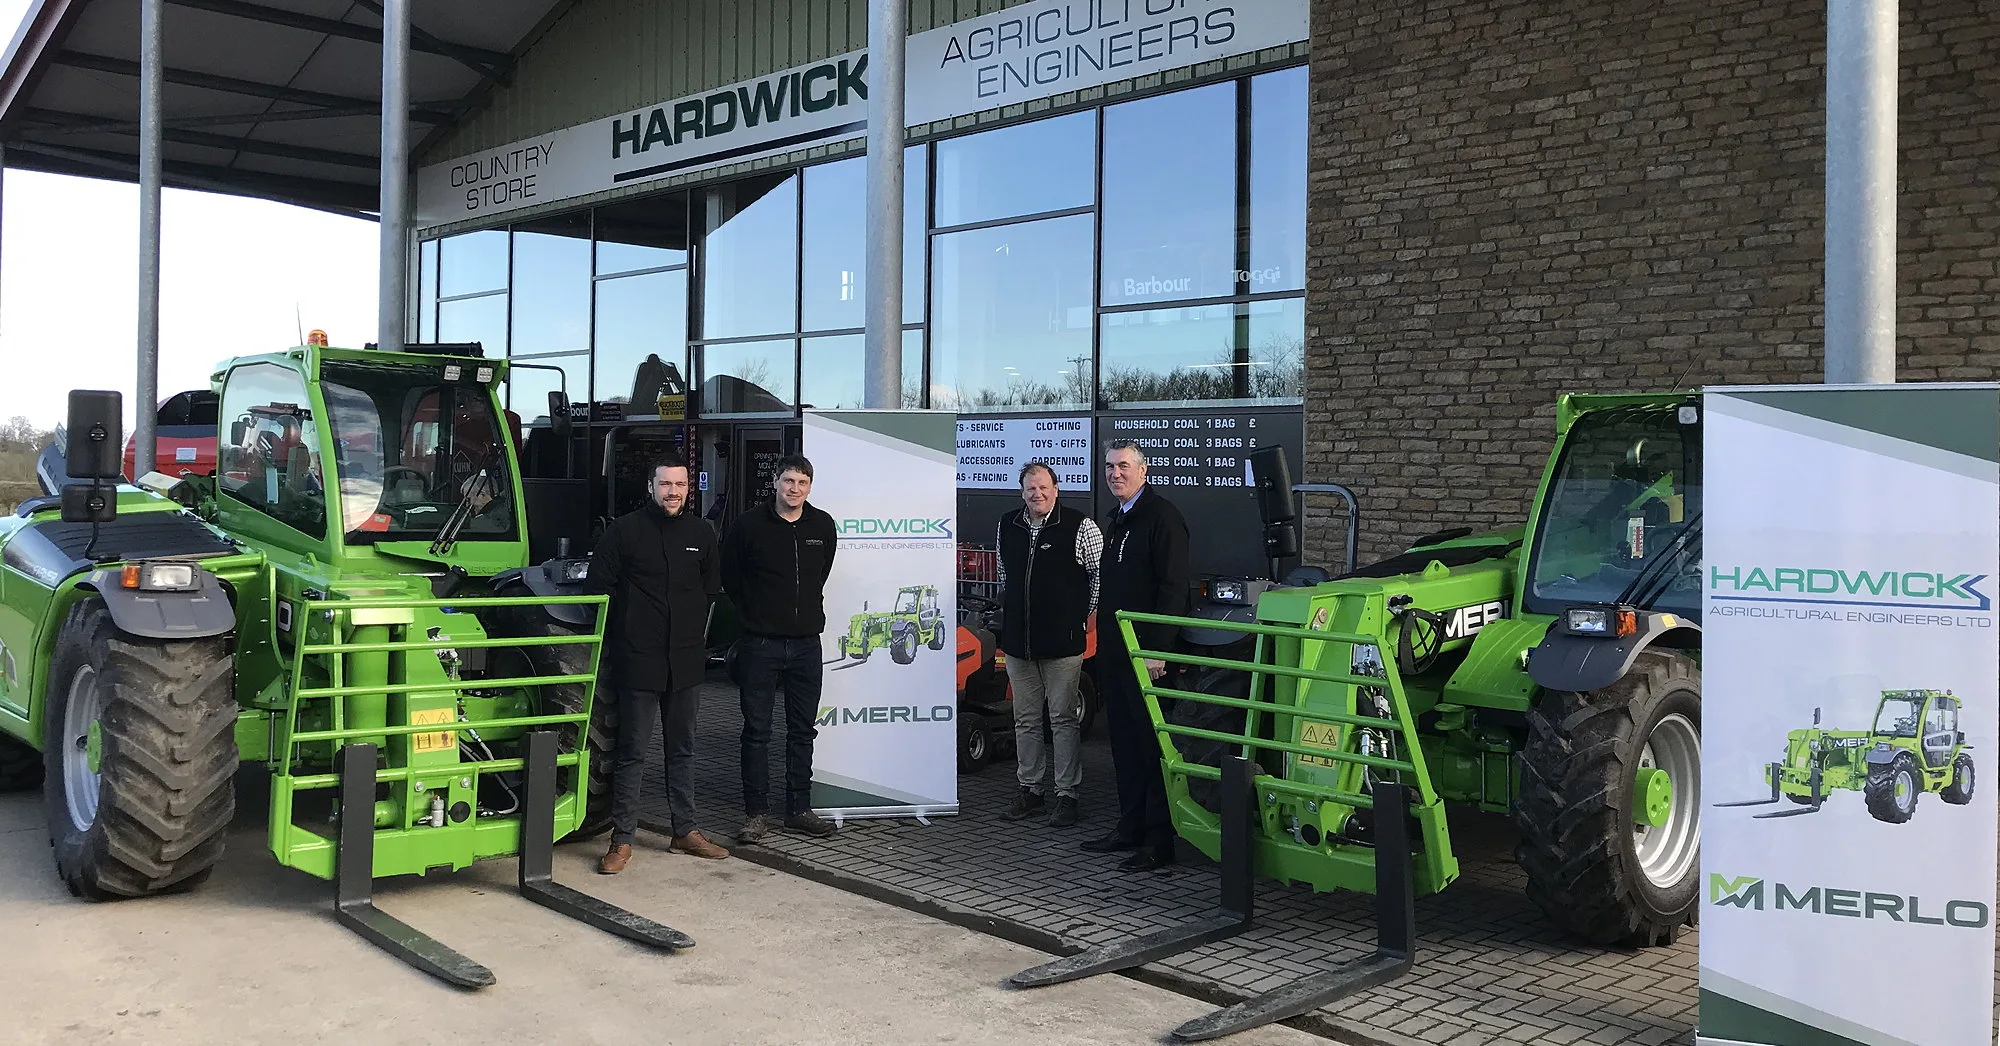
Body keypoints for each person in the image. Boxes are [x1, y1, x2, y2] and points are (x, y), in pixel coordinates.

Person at [587, 452, 729, 873]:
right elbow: (599, 588)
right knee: (632, 753)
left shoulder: (701, 534)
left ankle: (684, 831)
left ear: (690, 488)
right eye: (665, 484)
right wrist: (626, 634)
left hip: (685, 663)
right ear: (651, 487)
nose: (673, 492)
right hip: (638, 662)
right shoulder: (624, 532)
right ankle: (622, 840)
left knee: (682, 750)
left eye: (680, 485)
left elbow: (709, 593)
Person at [1081, 439, 1191, 872]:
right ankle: (1130, 825)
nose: (1115, 474)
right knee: (1122, 741)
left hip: (1147, 655)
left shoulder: (1163, 518)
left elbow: (1173, 588)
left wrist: (1158, 649)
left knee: (1150, 745)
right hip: (1115, 650)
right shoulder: (1118, 521)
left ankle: (1160, 839)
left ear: (1143, 470)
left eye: (1124, 466)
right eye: (1109, 467)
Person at [722, 454, 841, 843]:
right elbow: (732, 578)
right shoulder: (748, 526)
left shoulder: (822, 525)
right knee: (756, 731)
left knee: (802, 730)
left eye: (803, 482)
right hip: (760, 644)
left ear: (810, 487)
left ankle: (798, 809)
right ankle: (757, 814)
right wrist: (756, 615)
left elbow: (821, 572)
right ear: (775, 482)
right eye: (789, 481)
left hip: (807, 645)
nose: (795, 489)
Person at [994, 461, 1102, 828]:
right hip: (1018, 643)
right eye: (1029, 489)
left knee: (1062, 719)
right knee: (1024, 719)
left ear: (1056, 489)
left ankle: (1067, 795)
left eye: (1043, 487)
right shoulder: (1007, 525)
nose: (1036, 494)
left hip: (1063, 644)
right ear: (1021, 492)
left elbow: (1099, 577)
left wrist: (1078, 617)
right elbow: (1004, 574)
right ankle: (1031, 791)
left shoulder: (1080, 526)